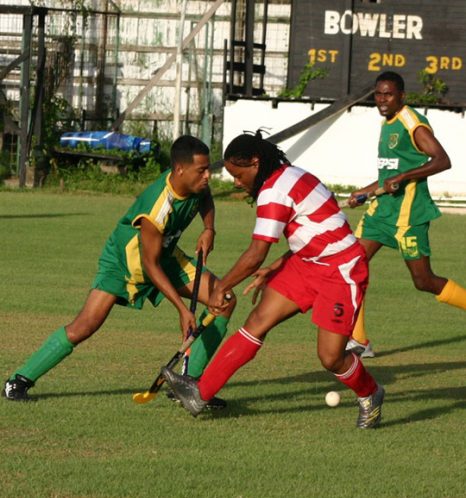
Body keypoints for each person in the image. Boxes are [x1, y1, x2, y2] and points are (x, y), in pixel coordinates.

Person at [162, 130, 385, 429]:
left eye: (238, 175)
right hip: (305, 264)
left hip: (341, 270)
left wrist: (222, 287)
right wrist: (279, 265)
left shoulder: (274, 191)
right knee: (257, 321)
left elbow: (255, 253)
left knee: (331, 357)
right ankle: (199, 394)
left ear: (255, 162)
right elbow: (315, 228)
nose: (238, 183)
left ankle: (371, 393)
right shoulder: (290, 173)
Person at [2, 135, 236, 404]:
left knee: (224, 299)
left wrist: (208, 229)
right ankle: (18, 380)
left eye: (208, 169)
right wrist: (183, 311)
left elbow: (204, 198)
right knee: (85, 325)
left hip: (165, 256)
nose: (208, 176)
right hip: (125, 261)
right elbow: (149, 264)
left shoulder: (194, 184)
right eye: (201, 170)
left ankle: (187, 385)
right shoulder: (157, 208)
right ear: (180, 169)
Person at [345, 71, 466, 358]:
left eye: (388, 94)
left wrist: (405, 176)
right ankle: (359, 340)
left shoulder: (412, 123)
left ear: (401, 96)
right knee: (352, 265)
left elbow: (442, 160)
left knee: (423, 281)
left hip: (408, 216)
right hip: (380, 213)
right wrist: (365, 191)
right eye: (378, 94)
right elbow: (389, 175)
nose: (382, 99)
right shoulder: (386, 123)